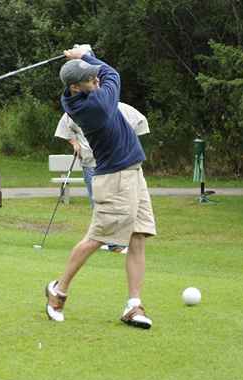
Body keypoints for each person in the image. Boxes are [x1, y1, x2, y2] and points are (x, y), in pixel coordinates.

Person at [45, 46, 157, 329]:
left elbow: (102, 74)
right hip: (115, 178)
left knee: (138, 236)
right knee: (97, 238)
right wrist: (87, 54)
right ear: (75, 87)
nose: (97, 82)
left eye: (95, 79)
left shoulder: (86, 93)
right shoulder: (94, 106)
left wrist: (83, 61)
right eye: (90, 80)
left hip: (133, 172)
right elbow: (113, 74)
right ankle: (58, 291)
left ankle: (133, 305)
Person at [54, 102, 150, 253]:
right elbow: (65, 127)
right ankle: (107, 241)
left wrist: (127, 140)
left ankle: (115, 243)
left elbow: (140, 122)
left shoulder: (120, 108)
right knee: (98, 202)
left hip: (116, 165)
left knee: (119, 203)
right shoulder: (78, 108)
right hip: (90, 163)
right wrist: (74, 143)